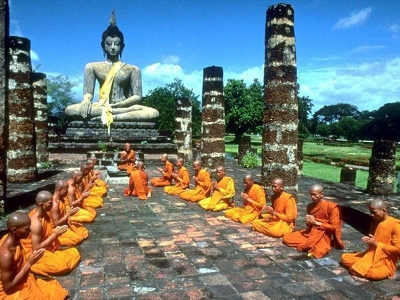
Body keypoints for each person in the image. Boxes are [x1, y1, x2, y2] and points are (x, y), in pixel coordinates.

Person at [64, 11, 159, 133]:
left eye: (117, 44)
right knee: (70, 110)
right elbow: (88, 93)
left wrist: (120, 105)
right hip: (100, 107)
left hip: (124, 107)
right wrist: (86, 101)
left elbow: (137, 96)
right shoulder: (92, 67)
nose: (113, 47)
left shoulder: (133, 69)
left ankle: (113, 117)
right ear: (103, 46)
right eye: (109, 43)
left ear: (122, 46)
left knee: (153, 113)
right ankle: (109, 115)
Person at [0, 212, 68, 299]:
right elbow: (8, 287)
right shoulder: (6, 254)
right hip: (9, 290)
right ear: (14, 230)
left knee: (56, 292)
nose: (30, 231)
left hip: (22, 279)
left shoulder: (14, 239)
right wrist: (29, 263)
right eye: (26, 229)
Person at [20, 191, 81, 277]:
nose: (52, 205)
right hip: (33, 253)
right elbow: (36, 248)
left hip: (46, 247)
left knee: (74, 252)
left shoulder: (44, 214)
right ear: (41, 204)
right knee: (62, 267)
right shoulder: (36, 223)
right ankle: (31, 266)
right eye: (50, 203)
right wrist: (55, 235)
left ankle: (54, 259)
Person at [341, 199, 400, 280]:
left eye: (374, 212)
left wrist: (376, 244)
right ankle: (361, 267)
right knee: (345, 258)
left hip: (385, 259)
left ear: (384, 210)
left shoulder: (395, 225)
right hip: (371, 254)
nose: (372, 215)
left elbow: (398, 249)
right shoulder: (374, 222)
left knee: (374, 274)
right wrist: (370, 240)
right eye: (371, 213)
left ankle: (362, 268)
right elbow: (375, 240)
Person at [282, 184, 344, 258]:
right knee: (287, 238)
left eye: (315, 195)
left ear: (321, 194)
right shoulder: (310, 206)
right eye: (311, 195)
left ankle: (311, 245)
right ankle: (310, 245)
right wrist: (309, 222)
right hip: (311, 232)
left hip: (323, 234)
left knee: (320, 251)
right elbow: (309, 225)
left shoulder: (332, 207)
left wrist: (316, 222)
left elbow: (333, 227)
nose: (312, 197)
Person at [49, 179, 89, 246]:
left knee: (82, 232)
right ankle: (52, 241)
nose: (67, 191)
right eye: (66, 189)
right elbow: (56, 224)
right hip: (55, 229)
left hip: (64, 224)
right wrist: (68, 214)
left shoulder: (61, 199)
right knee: (77, 239)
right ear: (59, 190)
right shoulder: (54, 204)